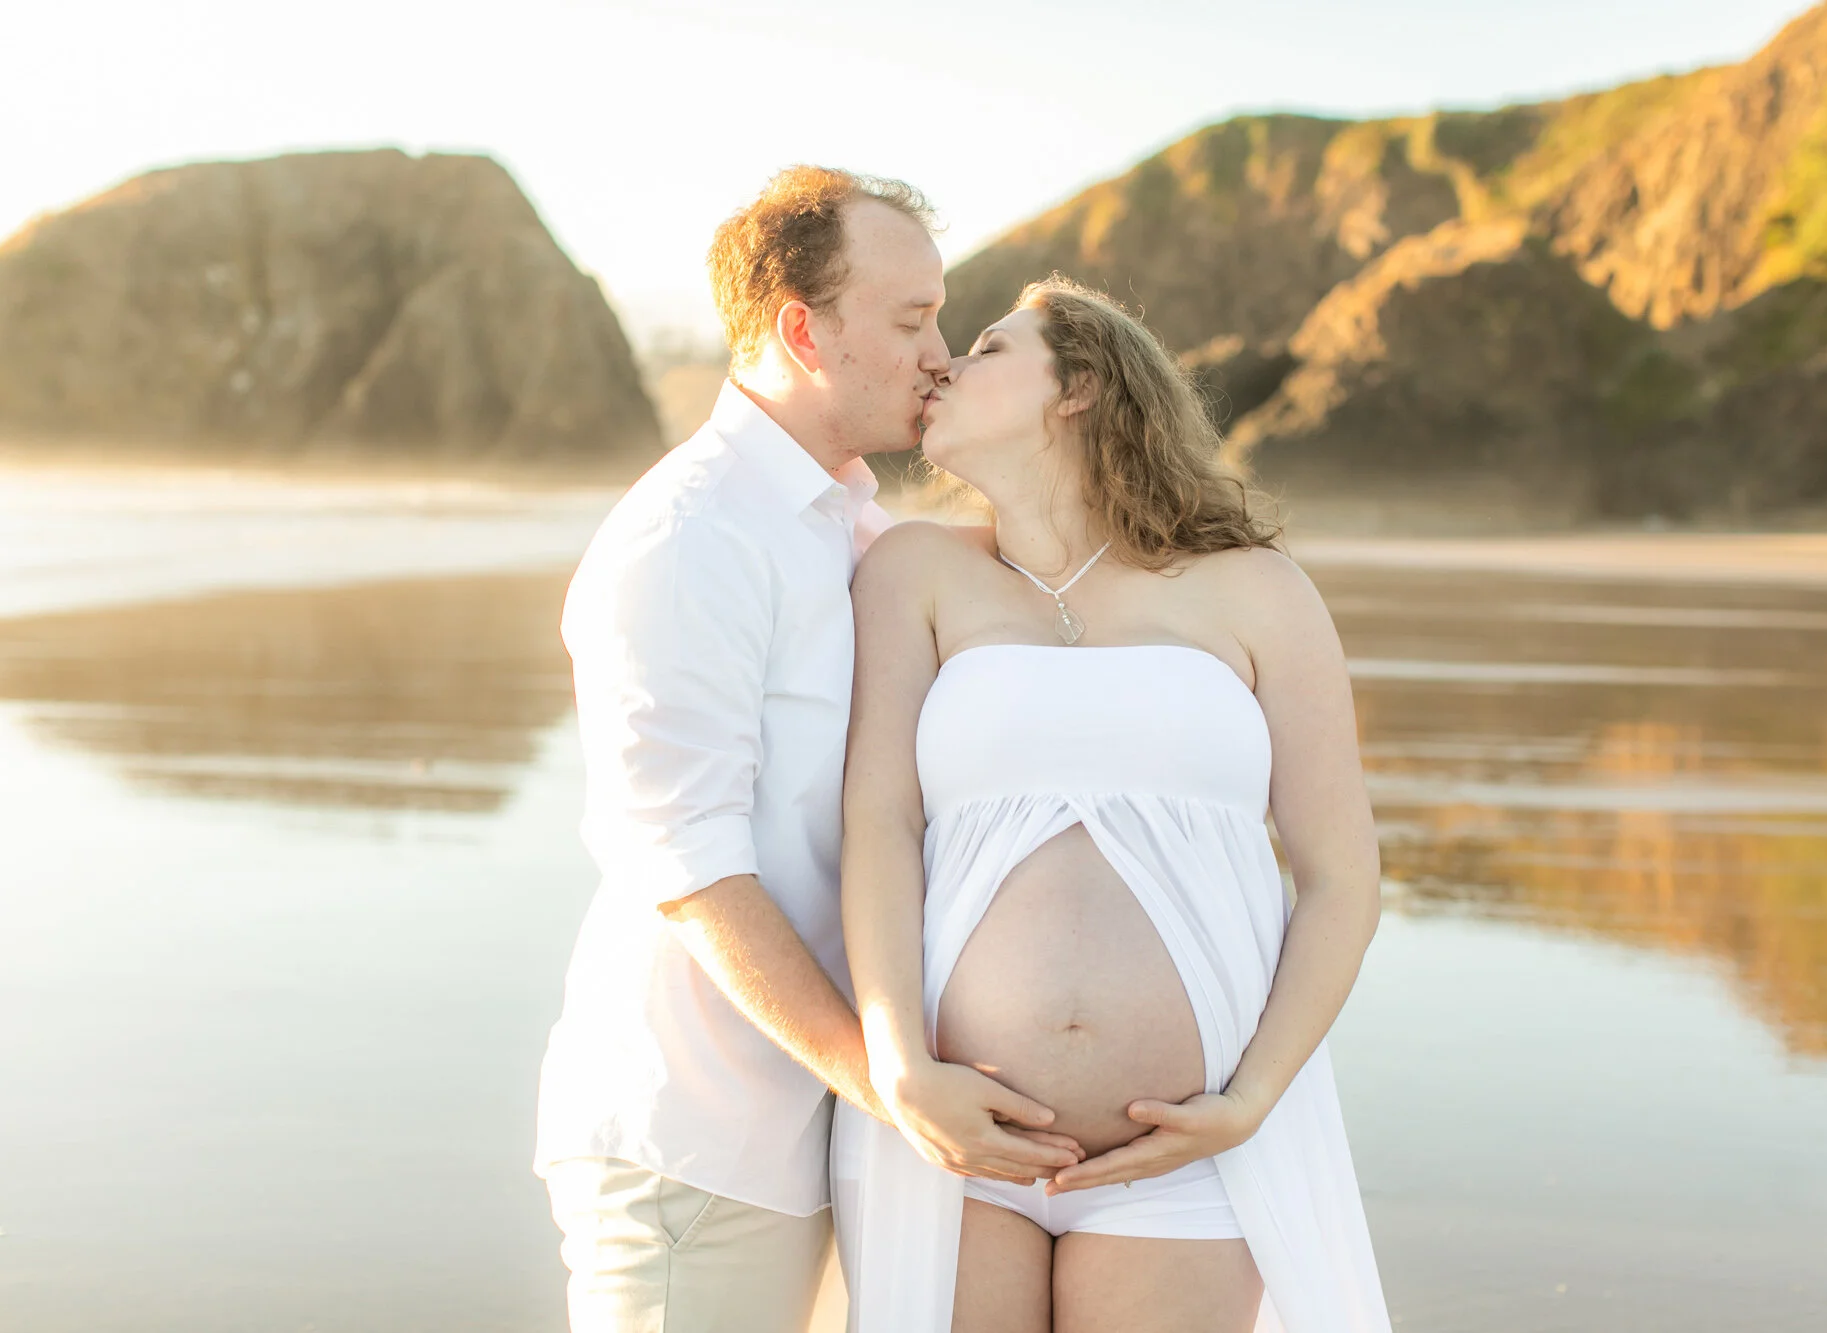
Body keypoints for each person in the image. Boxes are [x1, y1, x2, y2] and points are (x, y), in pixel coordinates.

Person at [534, 168, 1081, 1333]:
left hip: (833, 1134)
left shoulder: (859, 530)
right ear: (802, 328)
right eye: (908, 319)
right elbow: (684, 865)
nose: (939, 352)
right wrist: (885, 1081)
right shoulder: (689, 539)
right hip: (705, 1140)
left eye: (941, 318)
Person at [834, 278, 1394, 1332]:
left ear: (1080, 386)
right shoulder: (912, 571)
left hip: (1187, 1150)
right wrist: (898, 1062)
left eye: (991, 348)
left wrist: (1251, 1100)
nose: (948, 363)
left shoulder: (1253, 587)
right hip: (956, 1136)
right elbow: (878, 828)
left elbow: (1339, 873)